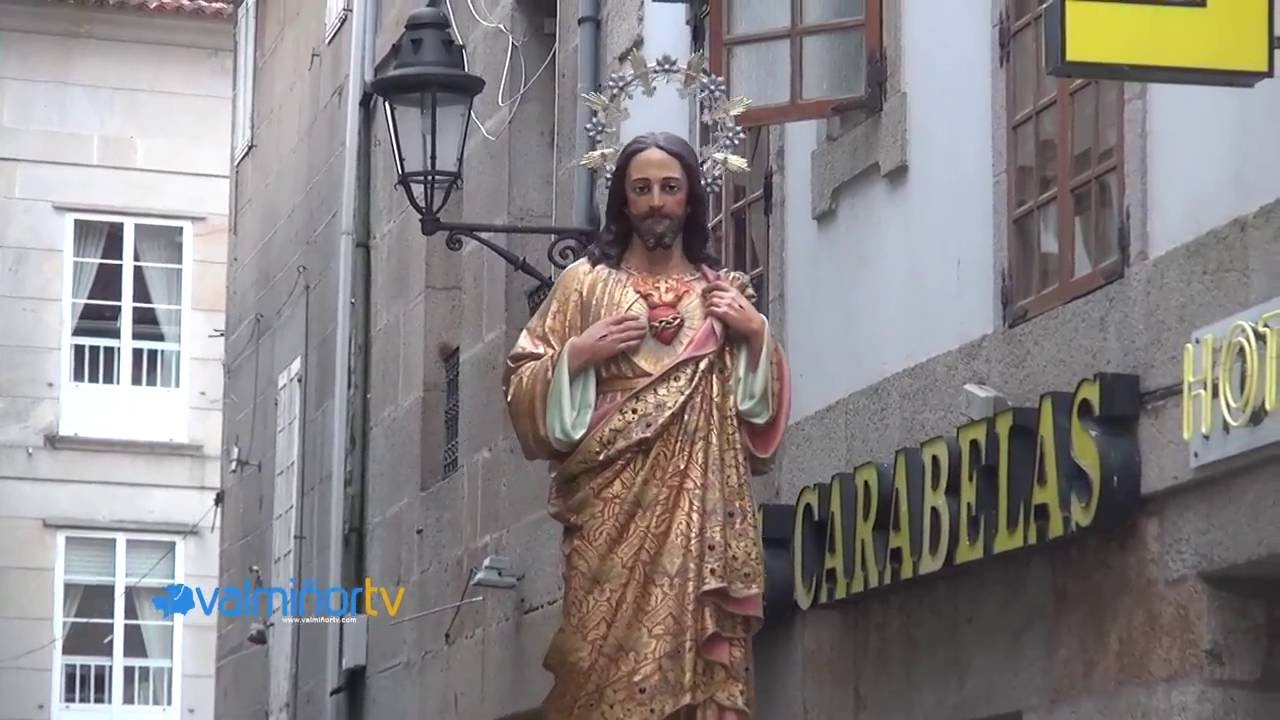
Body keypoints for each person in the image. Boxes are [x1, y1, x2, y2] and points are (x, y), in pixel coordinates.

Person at [503, 131, 791, 719]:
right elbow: (520, 382)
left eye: (669, 188)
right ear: (623, 201)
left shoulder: (720, 292)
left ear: (689, 199)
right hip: (608, 507)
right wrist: (578, 353)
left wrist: (757, 336)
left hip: (700, 511)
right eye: (642, 189)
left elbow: (755, 419)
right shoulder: (583, 284)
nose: (656, 201)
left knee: (696, 650)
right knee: (593, 653)